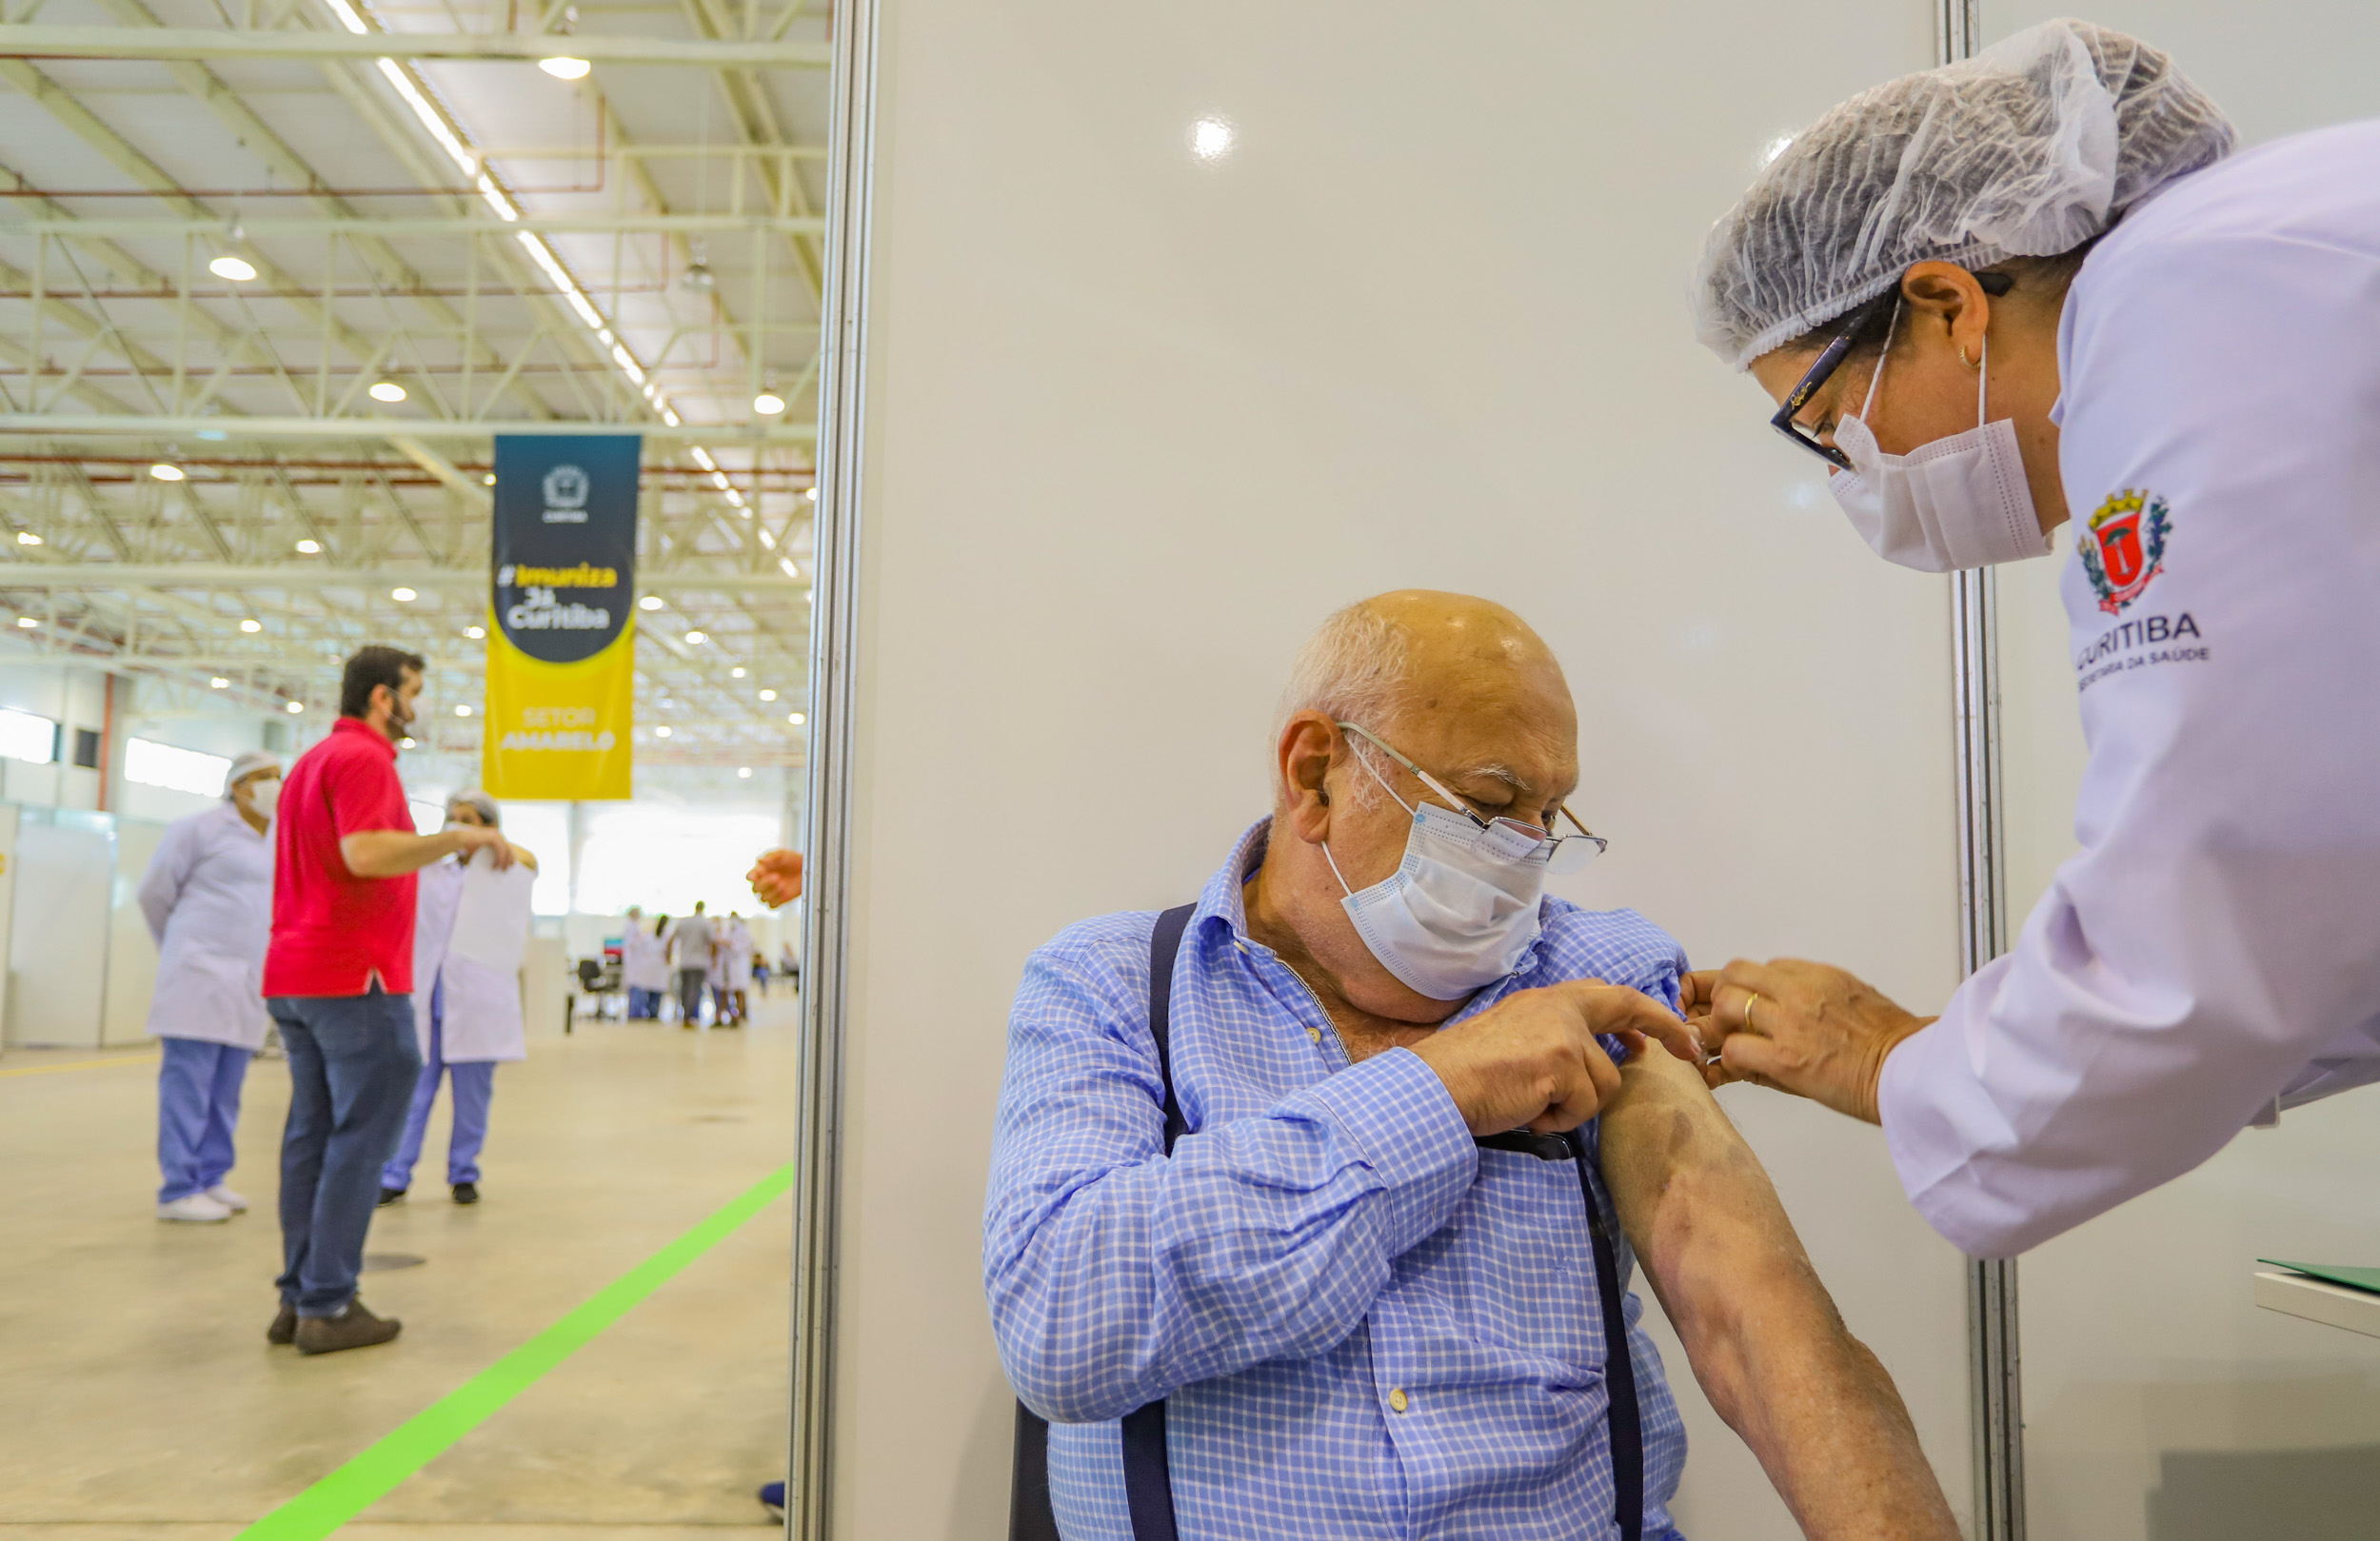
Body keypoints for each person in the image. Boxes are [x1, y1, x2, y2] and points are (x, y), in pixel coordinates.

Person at [986, 593, 1957, 1540]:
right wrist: (1441, 1089)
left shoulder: (1597, 978)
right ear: (1316, 772)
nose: (1526, 851)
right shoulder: (1116, 986)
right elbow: (1063, 1321)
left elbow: (1759, 1323)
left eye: (1550, 812)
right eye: (1490, 803)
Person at [1687, 18, 2380, 1258]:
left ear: (1948, 301)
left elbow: (2224, 894)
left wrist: (1902, 1062)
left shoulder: (2172, 317)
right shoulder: (2272, 258)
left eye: (1828, 416)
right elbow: (2333, 907)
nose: (1858, 466)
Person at [263, 646, 514, 1355]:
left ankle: (298, 1293)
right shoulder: (367, 760)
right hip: (355, 976)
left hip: (295, 973)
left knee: (310, 1137)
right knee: (361, 1140)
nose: (417, 706)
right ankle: (329, 1302)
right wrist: (459, 836)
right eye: (414, 692)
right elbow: (367, 854)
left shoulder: (310, 763)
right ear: (383, 697)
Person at [141, 749, 282, 1223]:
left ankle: (211, 1176)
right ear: (238, 785)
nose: (273, 786)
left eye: (278, 777)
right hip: (197, 975)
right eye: (263, 778)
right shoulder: (197, 829)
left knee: (227, 1087)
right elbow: (154, 894)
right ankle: (177, 1188)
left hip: (246, 979)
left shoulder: (280, 837)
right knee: (188, 1085)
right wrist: (182, 947)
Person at [379, 791, 537, 1208]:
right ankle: (395, 1174)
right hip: (429, 997)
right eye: (451, 818)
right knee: (412, 1094)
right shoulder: (433, 869)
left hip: (476, 1003)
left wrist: (493, 843)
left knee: (472, 1098)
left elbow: (533, 863)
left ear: (489, 827)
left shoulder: (507, 867)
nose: (456, 827)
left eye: (467, 820)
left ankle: (464, 1172)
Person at [668, 902, 715, 1029]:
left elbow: (671, 939)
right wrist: (714, 959)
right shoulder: (705, 924)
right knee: (694, 990)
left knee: (685, 988)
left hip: (685, 962)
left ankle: (686, 1013)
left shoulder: (684, 923)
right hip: (699, 962)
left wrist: (668, 955)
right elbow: (712, 942)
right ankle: (690, 1015)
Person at [621, 906, 667, 1020]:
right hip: (636, 966)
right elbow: (633, 944)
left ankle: (637, 1013)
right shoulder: (632, 927)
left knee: (640, 991)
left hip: (641, 967)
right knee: (637, 991)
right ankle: (634, 1014)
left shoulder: (637, 928)